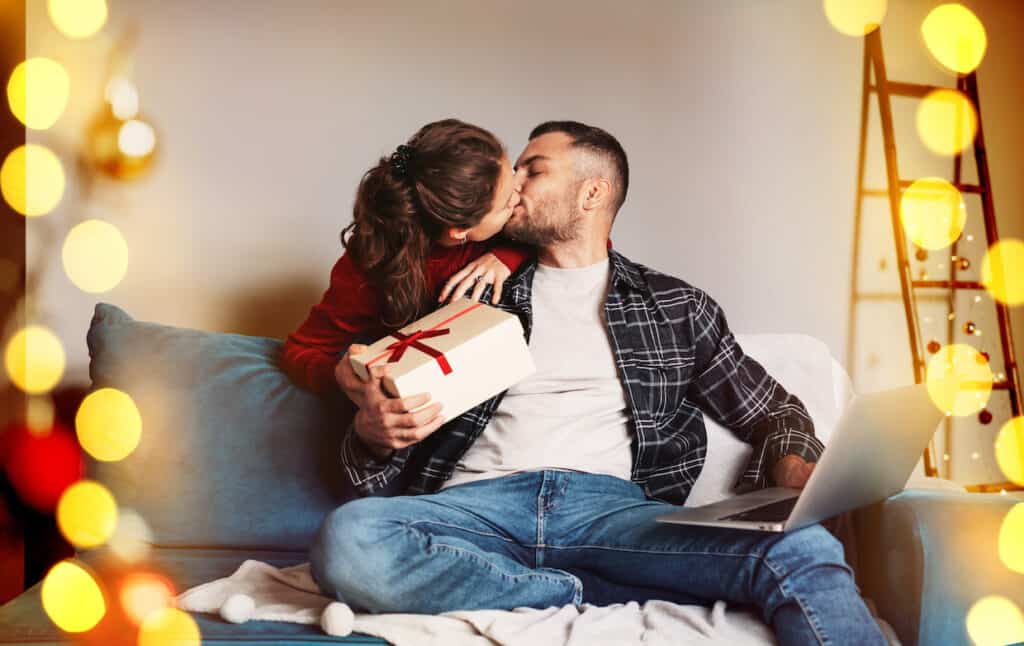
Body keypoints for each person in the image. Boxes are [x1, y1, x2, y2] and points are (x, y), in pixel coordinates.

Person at [311, 121, 886, 645]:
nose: (512, 183)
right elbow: (377, 444)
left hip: (611, 516)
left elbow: (776, 412)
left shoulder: (674, 307)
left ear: (592, 194)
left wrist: (792, 466)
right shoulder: (462, 291)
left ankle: (574, 577)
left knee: (802, 548)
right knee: (349, 540)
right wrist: (372, 431)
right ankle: (574, 590)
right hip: (475, 509)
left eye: (533, 170)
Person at [280, 119, 531, 415]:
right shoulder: (368, 267)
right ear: (460, 232)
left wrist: (505, 256)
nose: (520, 197)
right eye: (506, 203)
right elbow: (299, 351)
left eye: (513, 178)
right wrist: (342, 379)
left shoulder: (505, 234)